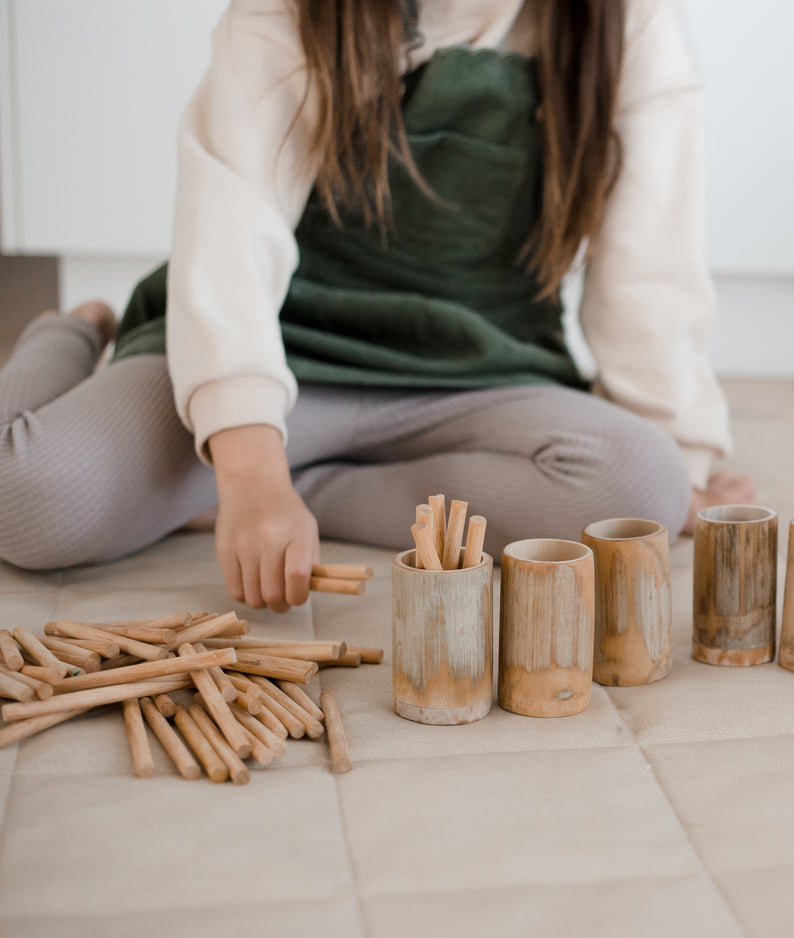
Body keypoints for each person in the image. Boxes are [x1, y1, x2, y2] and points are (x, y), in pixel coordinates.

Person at [0, 0, 754, 611]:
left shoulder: (630, 21)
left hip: (478, 376)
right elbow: (228, 242)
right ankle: (67, 332)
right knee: (30, 499)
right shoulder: (290, 11)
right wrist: (250, 470)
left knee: (640, 488)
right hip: (279, 352)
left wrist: (675, 452)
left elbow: (654, 272)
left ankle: (295, 487)